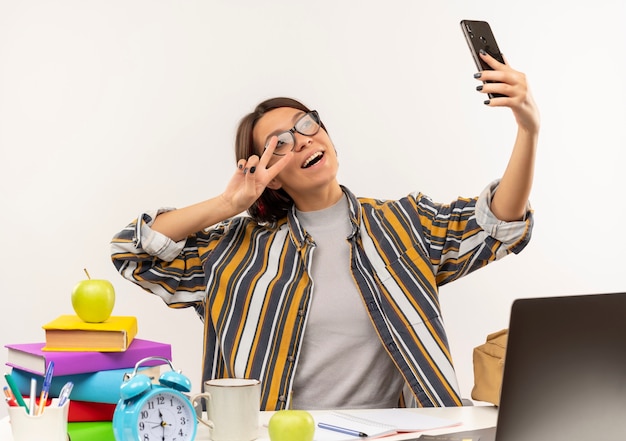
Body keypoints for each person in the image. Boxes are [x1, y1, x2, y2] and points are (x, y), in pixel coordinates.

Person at [111, 50, 539, 411]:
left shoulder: (406, 223)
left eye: (306, 125)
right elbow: (135, 251)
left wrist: (527, 127)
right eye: (279, 143)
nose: (300, 141)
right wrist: (228, 205)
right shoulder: (233, 251)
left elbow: (499, 225)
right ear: (270, 175)